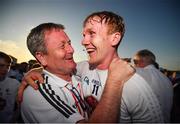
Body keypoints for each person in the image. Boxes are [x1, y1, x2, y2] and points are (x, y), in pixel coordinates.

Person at [18, 11, 164, 122]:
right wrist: (37, 70)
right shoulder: (82, 68)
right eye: (83, 35)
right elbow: (54, 71)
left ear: (114, 38)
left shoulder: (135, 85)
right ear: (41, 56)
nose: (82, 42)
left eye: (91, 33)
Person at [21, 22, 134, 123]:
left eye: (69, 43)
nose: (71, 49)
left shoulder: (76, 71)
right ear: (41, 57)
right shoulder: (37, 94)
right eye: (62, 46)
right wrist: (114, 81)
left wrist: (37, 69)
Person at [132, 49, 173, 122]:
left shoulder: (138, 73)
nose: (134, 64)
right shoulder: (167, 80)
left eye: (134, 61)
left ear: (141, 61)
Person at [0, 51, 20, 123]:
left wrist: (13, 120)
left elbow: (19, 106)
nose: (5, 69)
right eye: (1, 66)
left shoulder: (15, 84)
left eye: (8, 66)